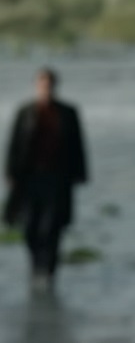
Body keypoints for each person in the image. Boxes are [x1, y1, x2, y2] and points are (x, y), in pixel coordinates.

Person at [3, 67, 88, 292]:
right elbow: (14, 144)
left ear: (54, 86)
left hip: (57, 178)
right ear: (36, 86)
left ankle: (49, 270)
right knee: (30, 226)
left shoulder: (67, 113)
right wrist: (10, 173)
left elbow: (77, 144)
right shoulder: (26, 112)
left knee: (52, 226)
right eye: (42, 84)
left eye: (49, 84)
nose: (45, 88)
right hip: (30, 178)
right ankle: (36, 265)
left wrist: (80, 173)